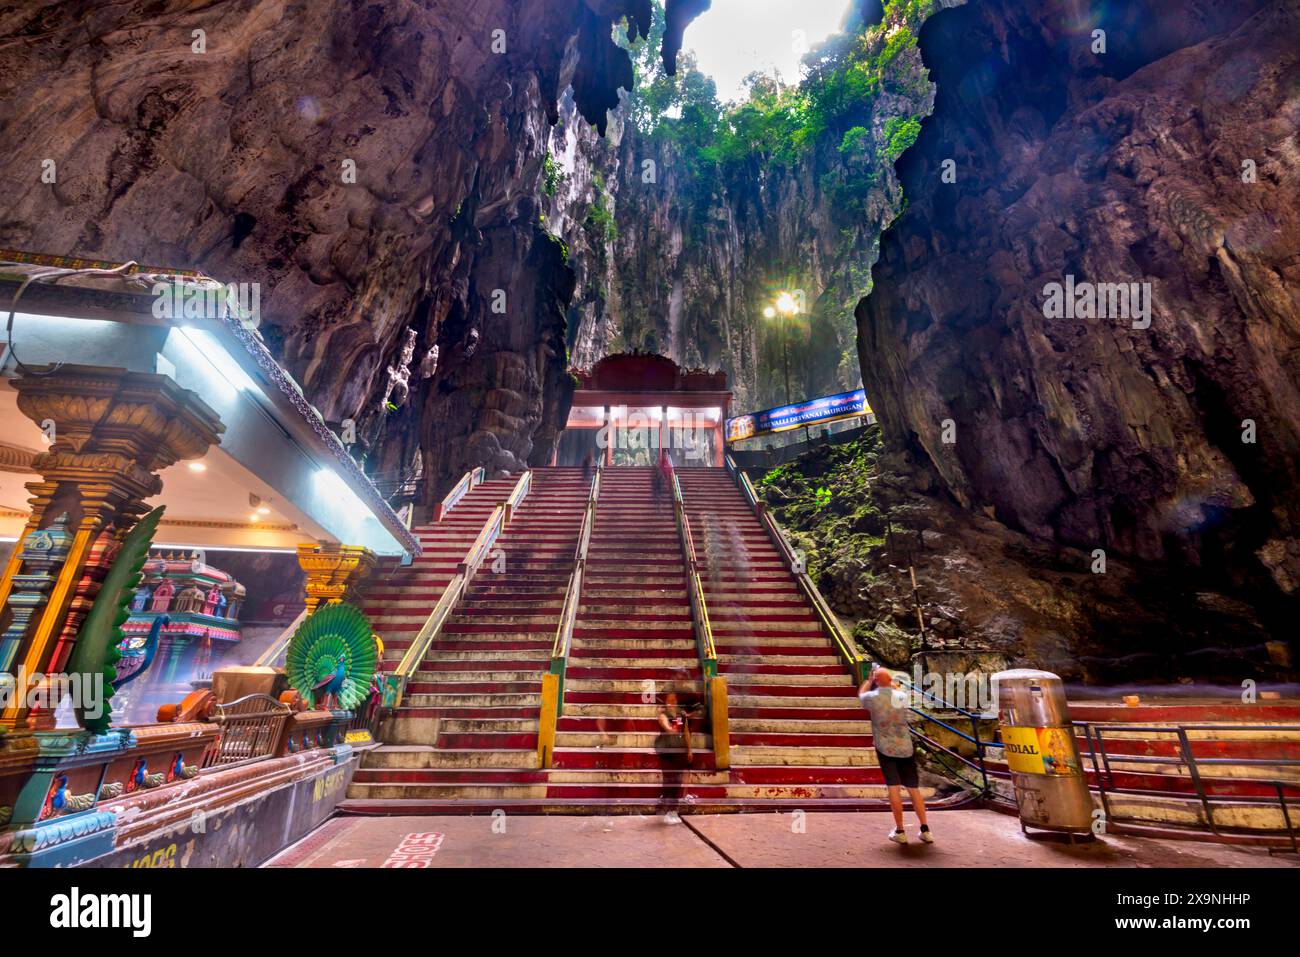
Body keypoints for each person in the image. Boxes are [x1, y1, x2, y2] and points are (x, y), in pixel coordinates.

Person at [859, 666, 933, 844]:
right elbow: (897, 689)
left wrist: (869, 680)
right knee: (913, 789)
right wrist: (888, 681)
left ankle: (900, 830)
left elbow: (861, 694)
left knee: (894, 788)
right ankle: (925, 829)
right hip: (905, 747)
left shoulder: (872, 698)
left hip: (885, 747)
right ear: (890, 680)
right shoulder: (901, 696)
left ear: (877, 681)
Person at [657, 691, 703, 762]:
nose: (671, 703)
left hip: (678, 747)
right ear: (665, 702)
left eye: (673, 700)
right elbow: (666, 725)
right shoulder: (663, 715)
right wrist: (671, 729)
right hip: (665, 749)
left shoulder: (681, 714)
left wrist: (690, 750)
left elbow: (686, 732)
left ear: (676, 701)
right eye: (668, 701)